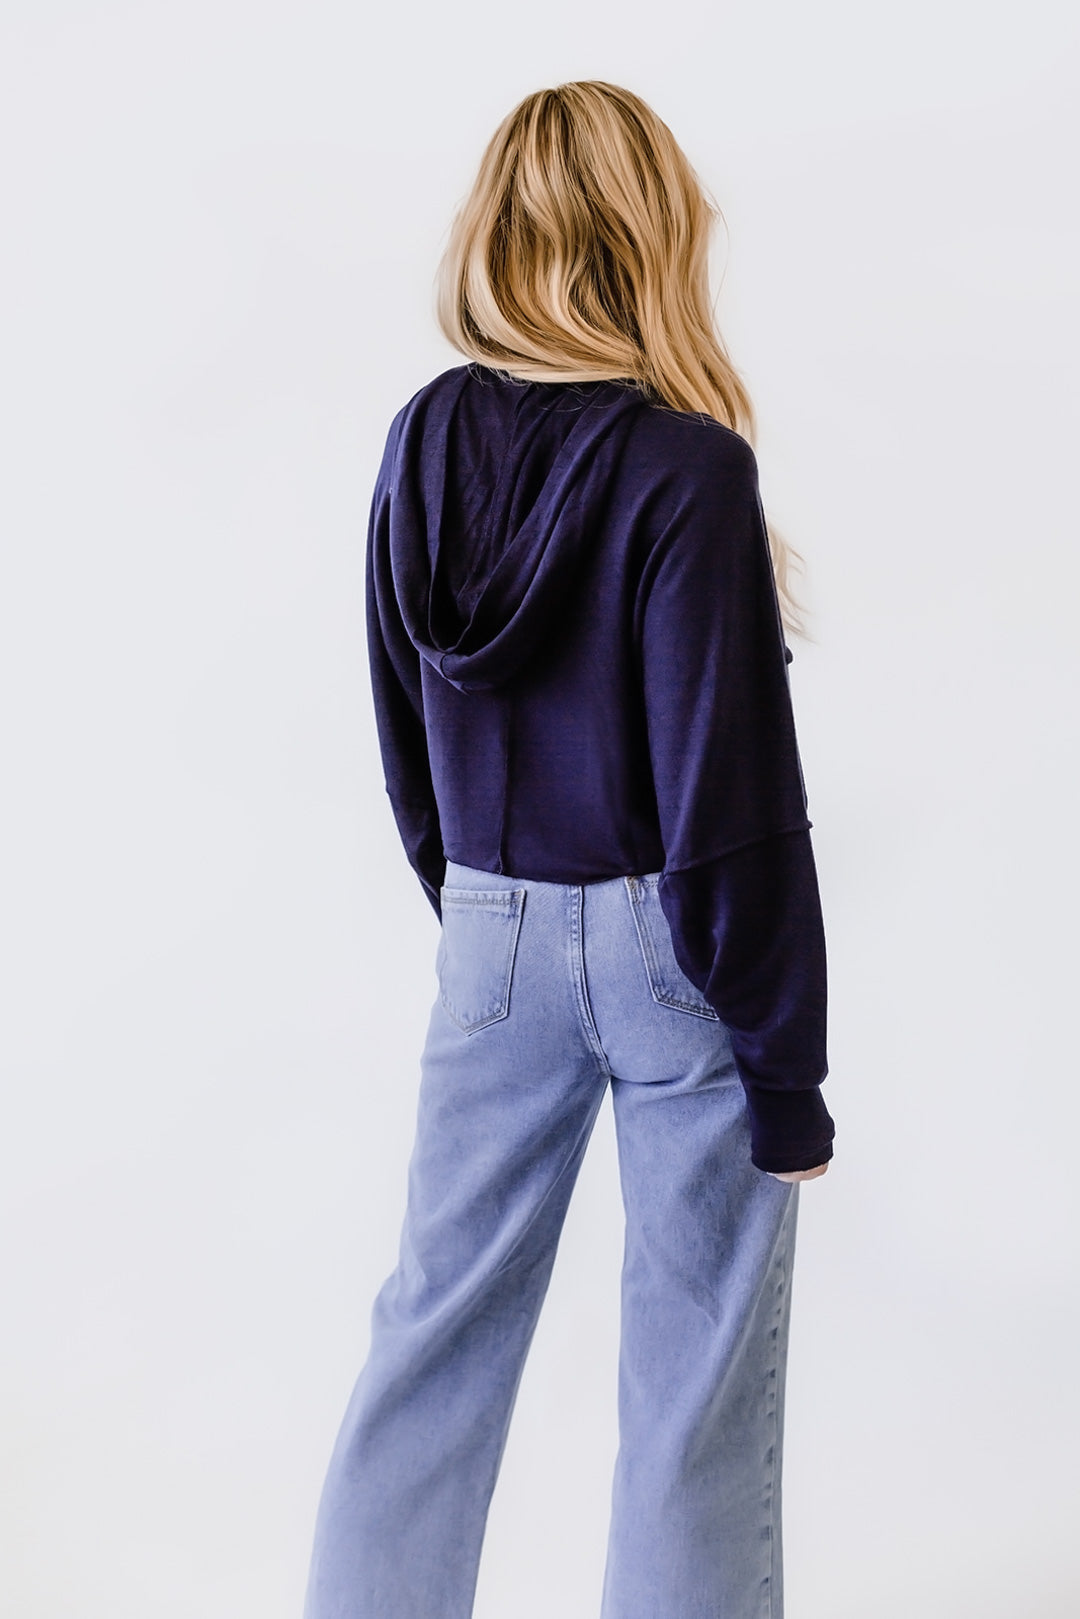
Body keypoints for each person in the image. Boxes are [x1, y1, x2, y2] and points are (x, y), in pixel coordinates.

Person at [302, 79, 835, 1619]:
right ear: (654, 233)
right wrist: (786, 1072)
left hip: (492, 927)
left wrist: (484, 913)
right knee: (692, 1384)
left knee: (431, 1341)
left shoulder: (425, 437)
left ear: (499, 230)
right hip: (677, 947)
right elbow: (729, 801)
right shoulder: (688, 469)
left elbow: (403, 726)